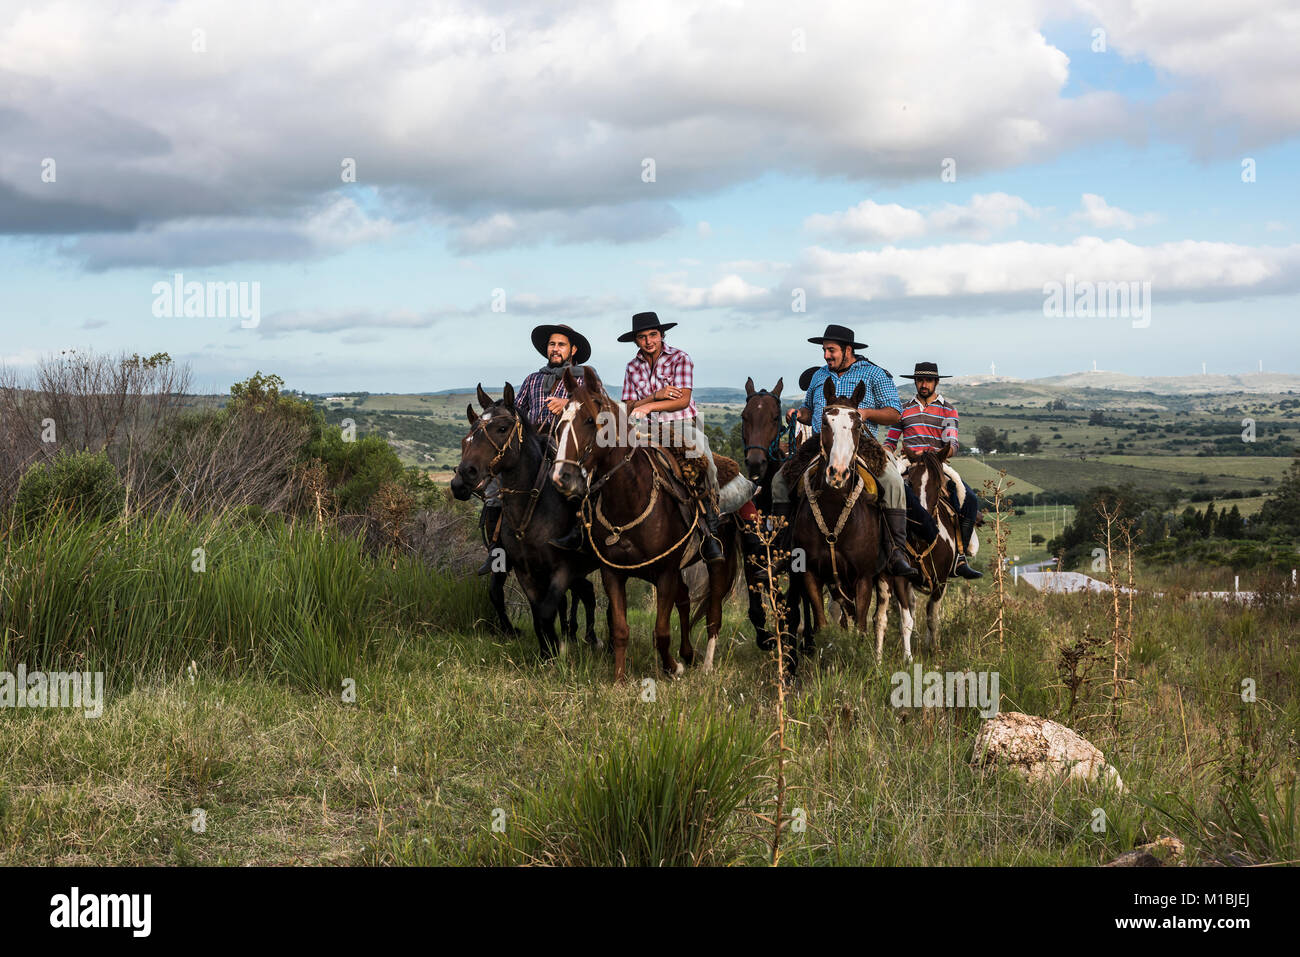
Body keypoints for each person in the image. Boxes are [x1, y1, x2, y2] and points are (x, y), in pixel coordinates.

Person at [550, 310, 724, 563]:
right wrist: (654, 397)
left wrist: (649, 406)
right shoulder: (632, 367)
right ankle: (584, 524)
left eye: (653, 335)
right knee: (605, 455)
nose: (648, 341)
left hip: (681, 422)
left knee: (701, 456)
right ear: (636, 341)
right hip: (644, 426)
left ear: (661, 335)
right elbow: (630, 405)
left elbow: (683, 399)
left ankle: (711, 527)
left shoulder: (680, 358)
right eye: (642, 337)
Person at [773, 324, 919, 580]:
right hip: (822, 442)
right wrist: (799, 414)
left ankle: (896, 552)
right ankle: (783, 550)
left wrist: (866, 413)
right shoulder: (819, 376)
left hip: (862, 442)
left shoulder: (874, 374)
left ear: (848, 350)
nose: (826, 356)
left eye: (831, 350)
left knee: (894, 482)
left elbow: (895, 413)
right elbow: (809, 410)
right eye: (824, 350)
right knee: (779, 481)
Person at [477, 323, 591, 574]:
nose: (555, 349)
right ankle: (497, 550)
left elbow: (595, 409)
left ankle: (581, 538)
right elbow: (516, 412)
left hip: (566, 443)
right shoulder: (533, 379)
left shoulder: (584, 378)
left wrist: (568, 402)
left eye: (561, 344)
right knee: (498, 487)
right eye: (552, 344)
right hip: (532, 443)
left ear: (573, 349)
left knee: (580, 486)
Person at [883, 361, 982, 579]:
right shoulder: (903, 409)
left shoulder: (948, 409)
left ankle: (960, 557)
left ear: (936, 382)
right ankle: (888, 551)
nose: (923, 384)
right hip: (908, 463)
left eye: (928, 380)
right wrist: (884, 453)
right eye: (919, 380)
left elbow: (952, 444)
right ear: (915, 382)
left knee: (971, 500)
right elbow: (890, 442)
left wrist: (937, 455)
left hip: (937, 464)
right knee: (885, 494)